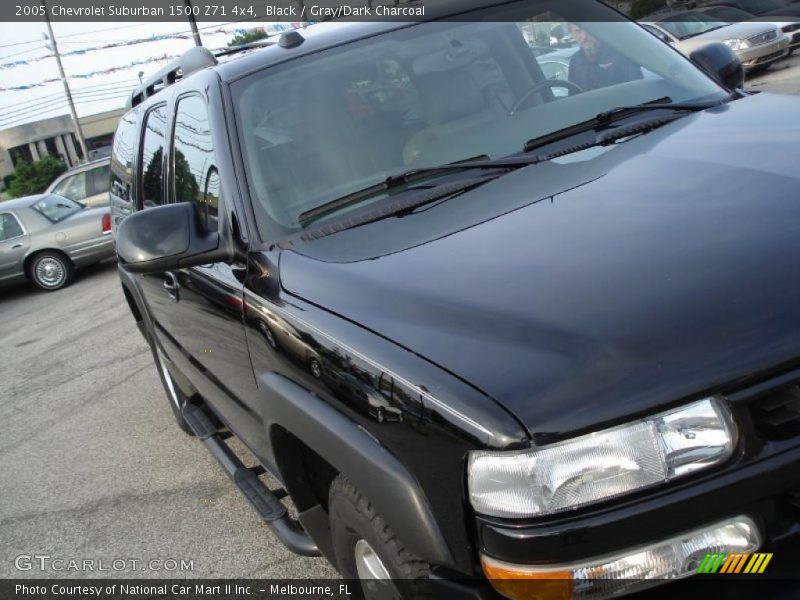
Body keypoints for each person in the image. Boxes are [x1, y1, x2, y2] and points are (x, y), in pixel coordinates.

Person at [567, 23, 643, 91]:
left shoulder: (619, 52)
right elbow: (574, 94)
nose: (584, 36)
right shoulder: (575, 61)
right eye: (577, 31)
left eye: (588, 30)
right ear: (571, 34)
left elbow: (638, 87)